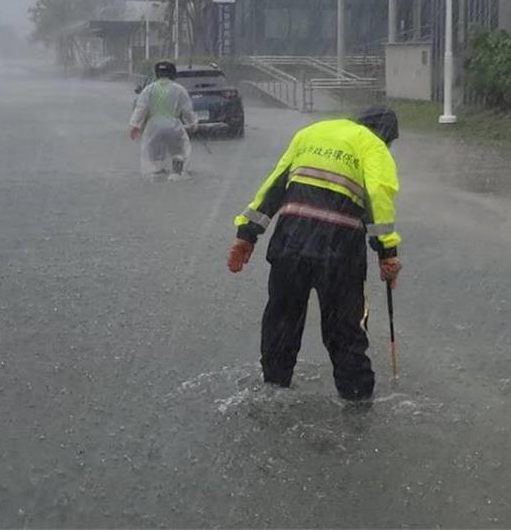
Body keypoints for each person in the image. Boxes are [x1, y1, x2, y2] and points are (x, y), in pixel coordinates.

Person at [227, 106, 403, 401]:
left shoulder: (310, 133)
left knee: (282, 320)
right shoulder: (372, 145)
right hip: (340, 252)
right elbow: (378, 197)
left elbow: (274, 185)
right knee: (344, 329)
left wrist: (247, 234)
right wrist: (387, 253)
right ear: (386, 135)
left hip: (290, 244)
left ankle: (274, 387)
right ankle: (356, 399)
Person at [129, 60, 198, 181]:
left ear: (157, 73)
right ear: (173, 73)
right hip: (173, 125)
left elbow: (141, 108)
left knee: (153, 152)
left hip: (153, 127)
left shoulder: (149, 89)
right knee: (179, 149)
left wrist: (135, 126)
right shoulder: (179, 89)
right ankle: (176, 174)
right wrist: (193, 124)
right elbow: (187, 109)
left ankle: (157, 173)